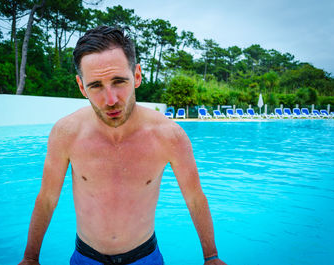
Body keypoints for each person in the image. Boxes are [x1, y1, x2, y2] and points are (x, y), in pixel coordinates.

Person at [18, 25, 226, 265]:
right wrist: (30, 258)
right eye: (96, 86)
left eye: (119, 81)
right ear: (81, 86)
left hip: (144, 257)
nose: (111, 100)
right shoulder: (66, 133)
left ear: (137, 75)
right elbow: (46, 198)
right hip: (86, 257)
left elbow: (195, 198)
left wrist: (211, 258)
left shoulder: (169, 136)